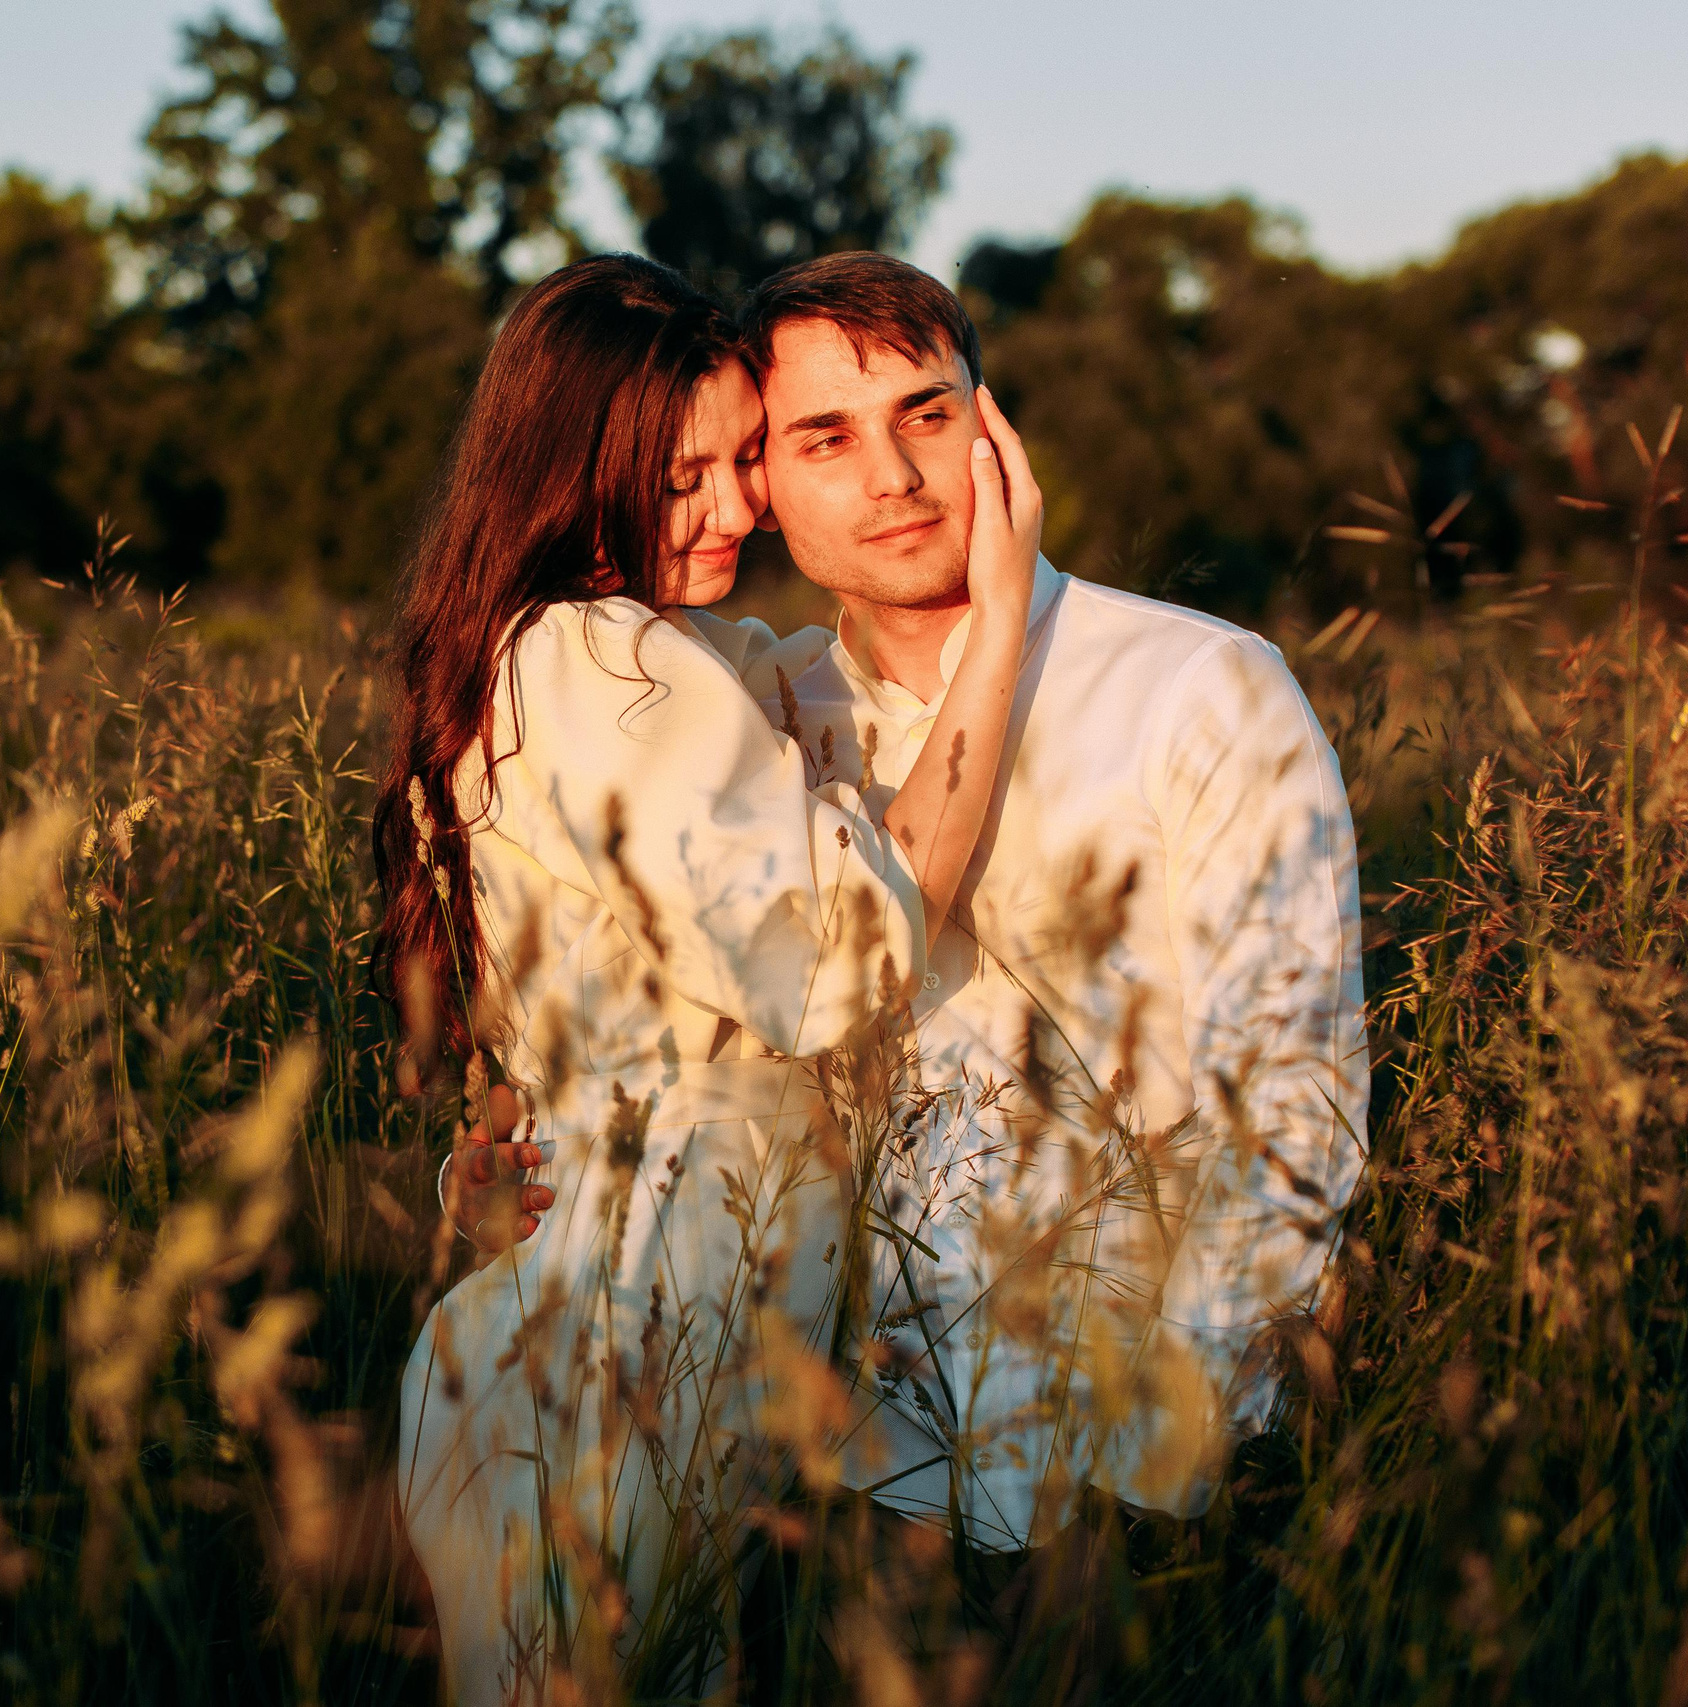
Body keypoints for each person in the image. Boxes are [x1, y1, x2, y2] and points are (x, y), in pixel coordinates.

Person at [455, 251, 1370, 1561]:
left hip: (1099, 1472)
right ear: (759, 481)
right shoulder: (766, 719)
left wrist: (1174, 1466)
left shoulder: (1199, 689)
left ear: (991, 425)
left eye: (927, 416)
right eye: (824, 437)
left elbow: (1292, 1104)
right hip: (807, 1468)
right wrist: (515, 1165)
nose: (892, 476)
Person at [377, 253, 1042, 1703]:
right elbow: (837, 966)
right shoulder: (609, 664)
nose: (738, 508)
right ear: (570, 476)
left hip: (607, 1305)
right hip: (635, 1324)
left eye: (746, 459)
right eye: (683, 481)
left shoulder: (607, 651)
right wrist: (998, 626)